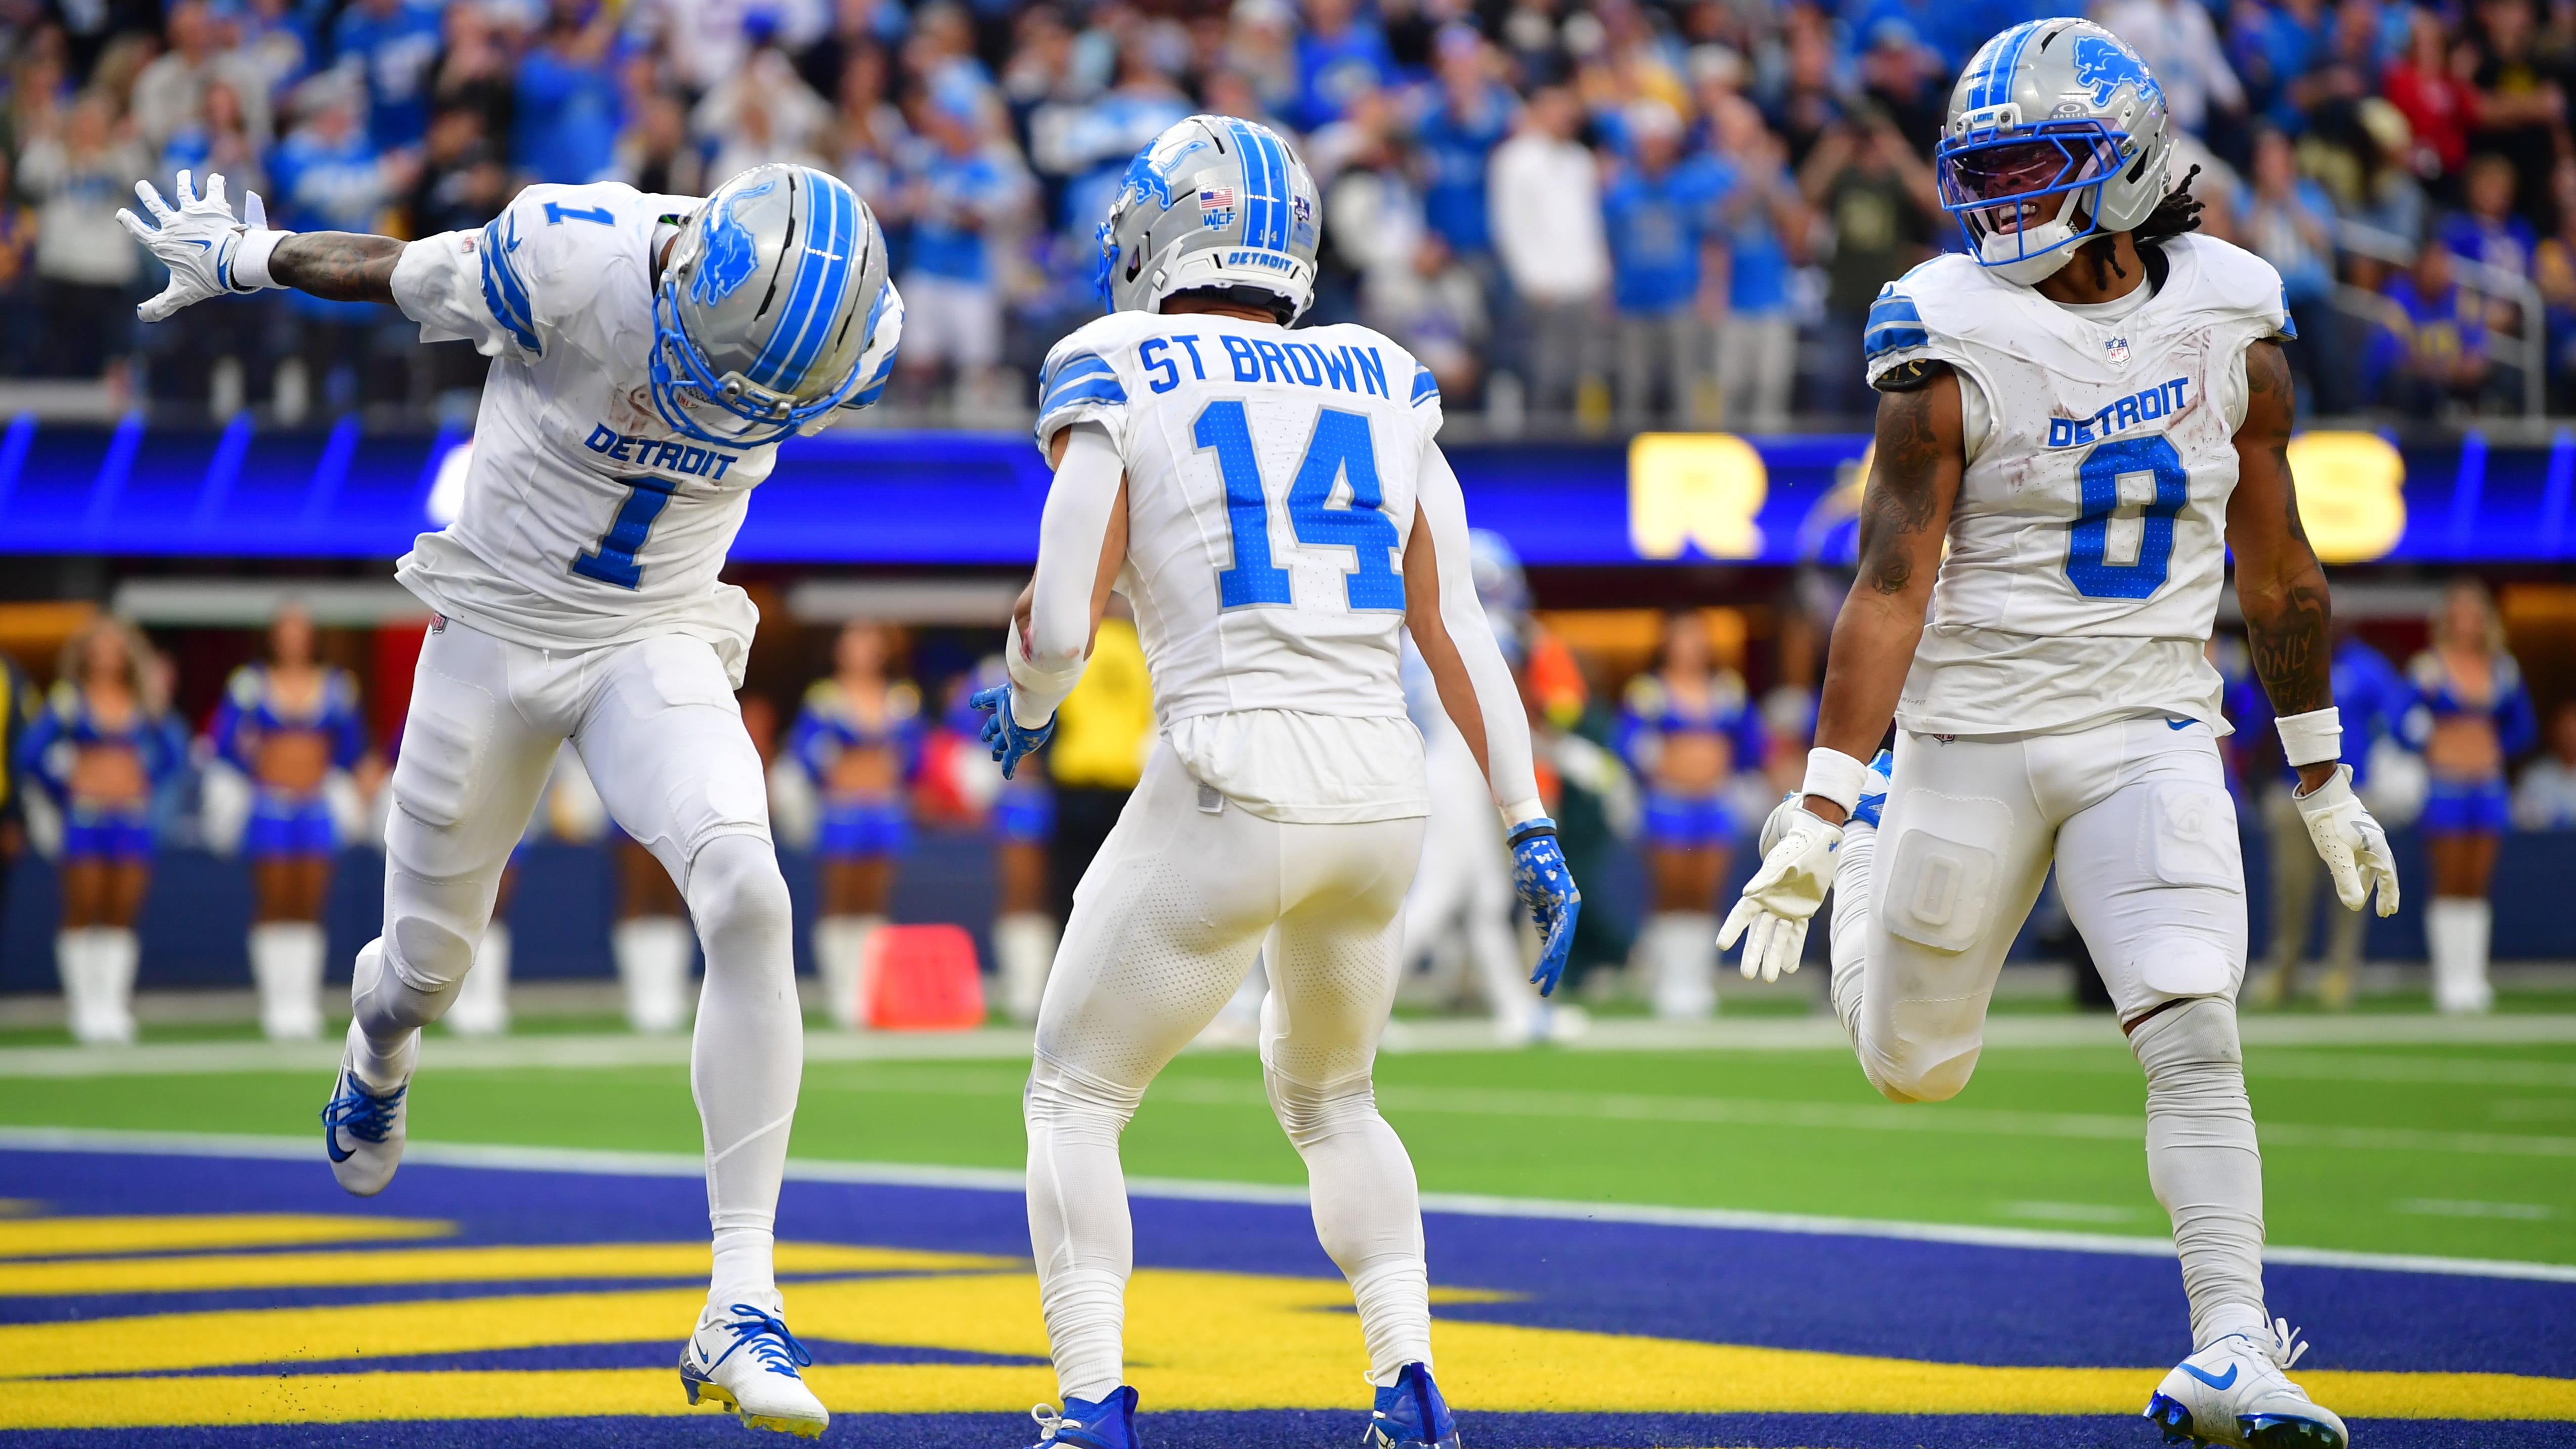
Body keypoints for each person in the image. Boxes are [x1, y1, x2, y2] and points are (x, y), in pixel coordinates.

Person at [119, 158, 902, 1435]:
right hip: (490, 626)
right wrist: (247, 259)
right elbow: (385, 268)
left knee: (749, 893)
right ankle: (377, 1052)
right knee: (421, 972)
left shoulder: (846, 334)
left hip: (653, 634)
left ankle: (740, 1299)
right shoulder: (566, 253)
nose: (723, 406)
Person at [1722, 25, 2389, 1448]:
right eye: (1980, 171)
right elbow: (1889, 578)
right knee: (1914, 1067)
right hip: (1964, 733)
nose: (1997, 199)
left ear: (2125, 165)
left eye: (2029, 166)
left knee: (2191, 1020)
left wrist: (2321, 771)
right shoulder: (1943, 326)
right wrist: (1826, 806)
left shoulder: (2230, 309)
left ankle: (2231, 1344)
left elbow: (2277, 561)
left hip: (2148, 718)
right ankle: (1872, 858)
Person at [972, 114, 1580, 1449]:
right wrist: (1527, 819)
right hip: (1379, 797)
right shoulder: (1381, 373)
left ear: (1158, 237)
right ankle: (1407, 1380)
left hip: (1226, 775)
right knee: (1334, 1099)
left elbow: (1061, 627)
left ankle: (1090, 1400)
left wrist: (1020, 705)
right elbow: (1455, 628)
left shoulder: (1115, 359)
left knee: (1073, 1094)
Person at [1399, 530, 1574, 1045]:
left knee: (1485, 900)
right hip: (1458, 772)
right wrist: (1565, 754)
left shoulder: (1416, 632)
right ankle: (1361, 1013)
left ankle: (1517, 1011)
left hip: (1442, 767)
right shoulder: (1478, 629)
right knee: (1437, 897)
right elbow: (1504, 716)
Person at [19, 618, 186, 1046]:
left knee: (121, 911)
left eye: (116, 647)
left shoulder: (142, 701)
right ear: (86, 653)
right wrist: (65, 788)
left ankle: (112, 1003)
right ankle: (84, 1005)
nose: (107, 655)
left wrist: (144, 780)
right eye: (99, 647)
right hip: (86, 816)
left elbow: (173, 752)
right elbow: (30, 752)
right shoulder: (69, 700)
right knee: (83, 906)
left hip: (129, 817)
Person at [209, 602, 370, 1041]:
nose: (293, 639)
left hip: (315, 805)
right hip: (270, 805)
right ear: (273, 636)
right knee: (274, 901)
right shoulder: (249, 684)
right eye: (286, 630)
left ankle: (302, 1001)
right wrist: (255, 764)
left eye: (301, 630)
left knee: (309, 903)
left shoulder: (337, 686)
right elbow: (223, 743)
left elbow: (351, 746)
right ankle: (275, 1002)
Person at [2235, 630, 2413, 1011]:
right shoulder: (2286, 658)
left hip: (2351, 788)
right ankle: (2284, 969)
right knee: (2291, 886)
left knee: (2352, 886)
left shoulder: (2366, 667)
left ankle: (2341, 971)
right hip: (2291, 788)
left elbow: (2399, 720)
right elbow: (2255, 721)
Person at [1618, 610, 1764, 1019]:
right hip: (1668, 801)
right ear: (1667, 644)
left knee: (1706, 891)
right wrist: (1656, 763)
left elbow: (1751, 742)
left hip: (1714, 802)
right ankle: (1668, 979)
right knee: (1672, 890)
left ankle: (1697, 978)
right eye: (1681, 638)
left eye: (1696, 638)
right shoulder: (1648, 691)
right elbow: (1627, 741)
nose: (1689, 647)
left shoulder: (1727, 691)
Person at [2408, 578, 2537, 1014]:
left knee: (2477, 880)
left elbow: (2523, 727)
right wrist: (2429, 741)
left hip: (2487, 781)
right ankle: (2448, 978)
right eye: (2459, 613)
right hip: (2445, 781)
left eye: (2474, 613)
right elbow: (2402, 718)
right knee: (2449, 877)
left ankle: (2473, 977)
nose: (2467, 621)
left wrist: (2492, 746)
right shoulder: (2428, 667)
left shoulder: (2503, 669)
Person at [789, 622, 923, 1029]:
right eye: (853, 644)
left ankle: (867, 990)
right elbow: (807, 751)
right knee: (840, 895)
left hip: (883, 808)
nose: (862, 652)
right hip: (841, 808)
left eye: (869, 644)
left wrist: (882, 767)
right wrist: (844, 768)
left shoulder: (902, 698)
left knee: (874, 896)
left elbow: (914, 755)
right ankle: (840, 989)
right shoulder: (824, 698)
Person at [2510, 699, 2576, 830]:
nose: (2571, 739)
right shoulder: (2534, 775)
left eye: (2573, 733)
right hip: (2545, 842)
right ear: (2553, 732)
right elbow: (2517, 819)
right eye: (2566, 732)